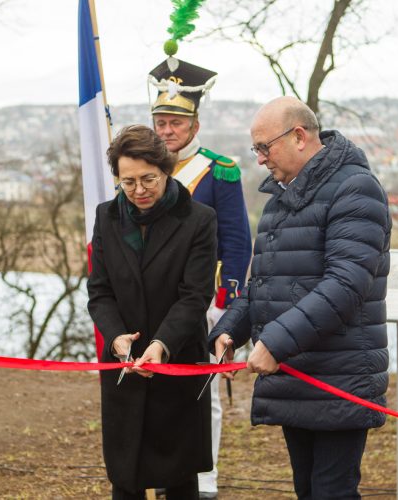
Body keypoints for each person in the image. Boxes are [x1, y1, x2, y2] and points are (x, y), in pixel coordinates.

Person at [210, 96, 392, 500]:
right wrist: (229, 330)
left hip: (338, 375)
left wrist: (275, 342)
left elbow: (345, 284)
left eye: (264, 147)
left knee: (332, 492)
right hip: (296, 374)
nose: (259, 159)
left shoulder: (355, 189)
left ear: (298, 136)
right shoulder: (280, 199)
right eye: (255, 149)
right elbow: (264, 283)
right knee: (307, 490)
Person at [87, 125, 218, 500]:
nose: (139, 190)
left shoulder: (198, 219)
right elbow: (99, 291)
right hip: (123, 366)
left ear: (166, 171)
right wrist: (116, 339)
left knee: (179, 478)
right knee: (125, 477)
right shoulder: (107, 217)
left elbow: (195, 295)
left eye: (148, 179)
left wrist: (161, 344)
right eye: (128, 182)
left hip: (176, 361)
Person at [148, 57, 252, 499]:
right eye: (160, 122)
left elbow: (237, 240)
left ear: (194, 124)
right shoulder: (142, 170)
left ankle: (203, 478)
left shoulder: (218, 170)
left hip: (204, 299)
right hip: (155, 297)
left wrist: (227, 302)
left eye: (175, 122)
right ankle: (160, 467)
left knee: (201, 390)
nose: (167, 130)